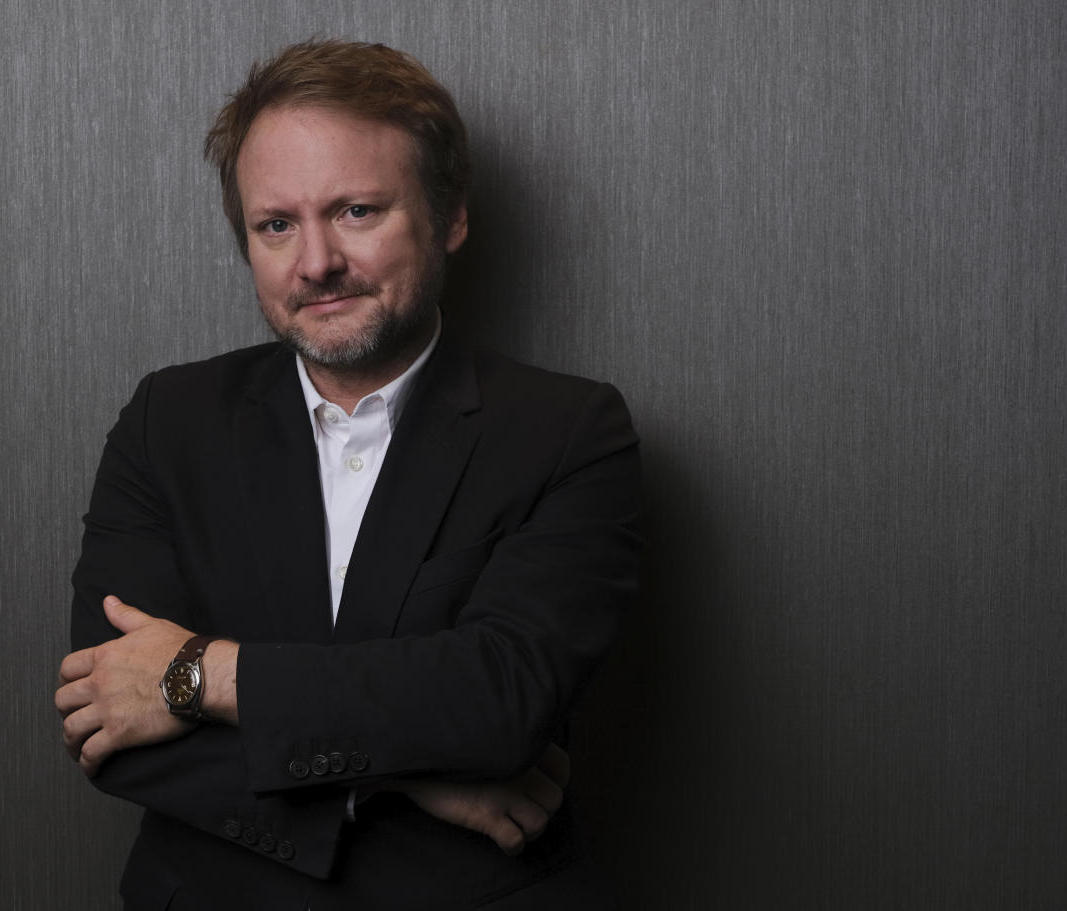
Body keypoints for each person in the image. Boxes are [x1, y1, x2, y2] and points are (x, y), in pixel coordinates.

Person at [55, 39, 640, 910]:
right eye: (276, 225)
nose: (315, 262)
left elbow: (499, 699)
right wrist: (406, 778)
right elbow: (110, 719)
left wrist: (201, 676)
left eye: (358, 210)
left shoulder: (568, 431)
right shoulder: (165, 421)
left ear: (449, 216)